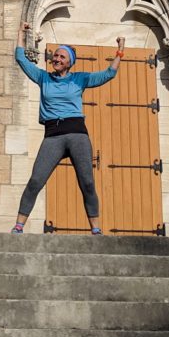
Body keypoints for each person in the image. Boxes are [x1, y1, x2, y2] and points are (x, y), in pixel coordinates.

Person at [11, 20, 125, 235]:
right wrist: (20, 33)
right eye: (55, 55)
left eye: (62, 56)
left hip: (77, 135)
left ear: (69, 62)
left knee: (87, 183)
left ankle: (96, 228)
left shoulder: (80, 79)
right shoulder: (43, 78)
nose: (56, 58)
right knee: (36, 180)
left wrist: (120, 51)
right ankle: (19, 225)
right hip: (53, 136)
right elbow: (20, 58)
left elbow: (109, 74)